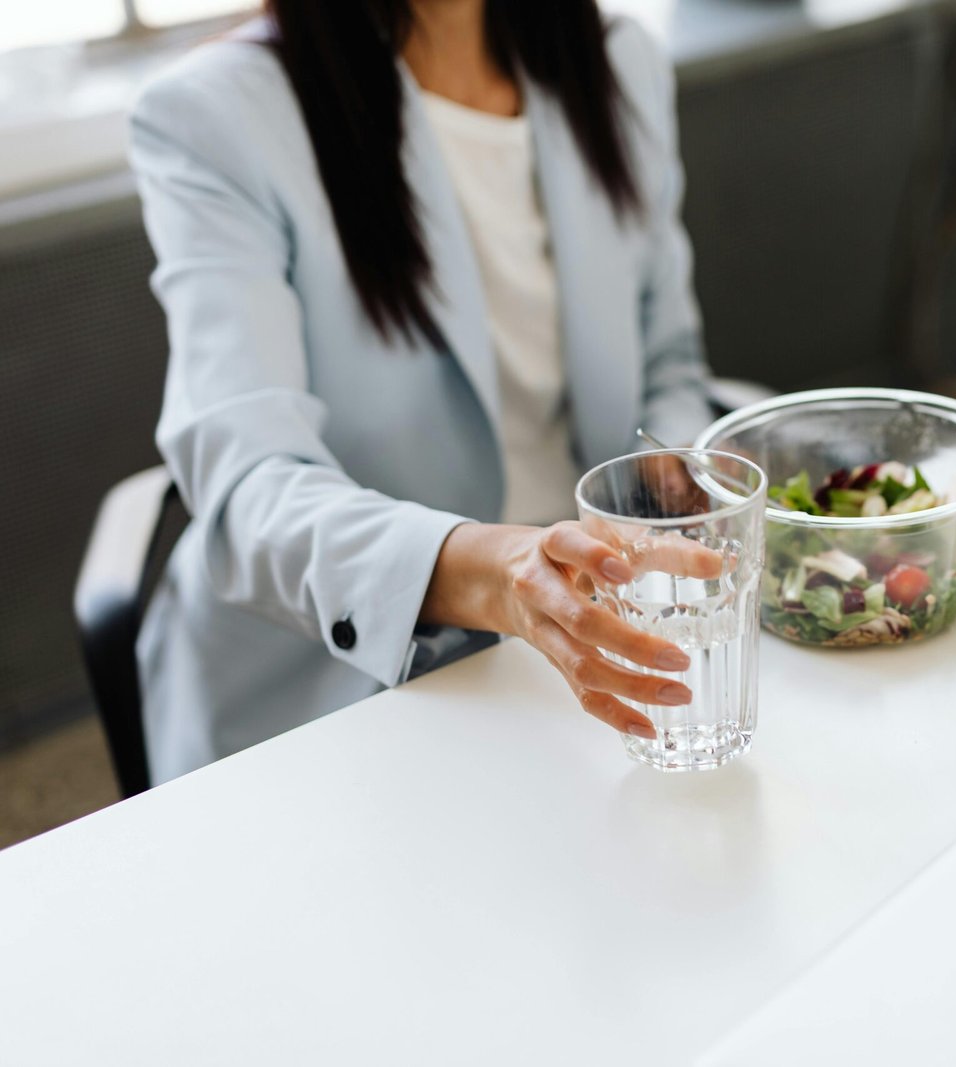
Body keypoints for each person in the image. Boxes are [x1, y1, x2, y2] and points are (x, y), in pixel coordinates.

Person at [129, 0, 714, 783]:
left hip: (593, 624)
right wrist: (496, 571)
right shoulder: (217, 116)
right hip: (344, 678)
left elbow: (669, 361)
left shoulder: (619, 60)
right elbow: (247, 488)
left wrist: (669, 470)